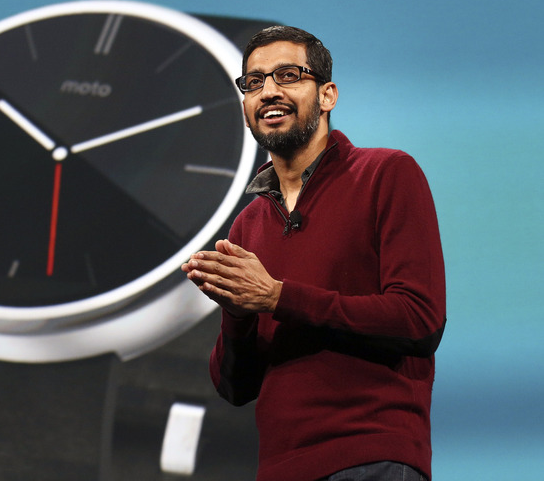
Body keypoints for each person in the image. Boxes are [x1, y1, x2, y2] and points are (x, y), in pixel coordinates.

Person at [181, 26, 446, 481]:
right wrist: (238, 313)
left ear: (327, 95)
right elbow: (234, 387)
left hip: (372, 458)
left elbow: (418, 319)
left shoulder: (386, 174)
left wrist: (277, 298)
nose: (268, 92)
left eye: (287, 75)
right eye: (254, 82)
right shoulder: (248, 224)